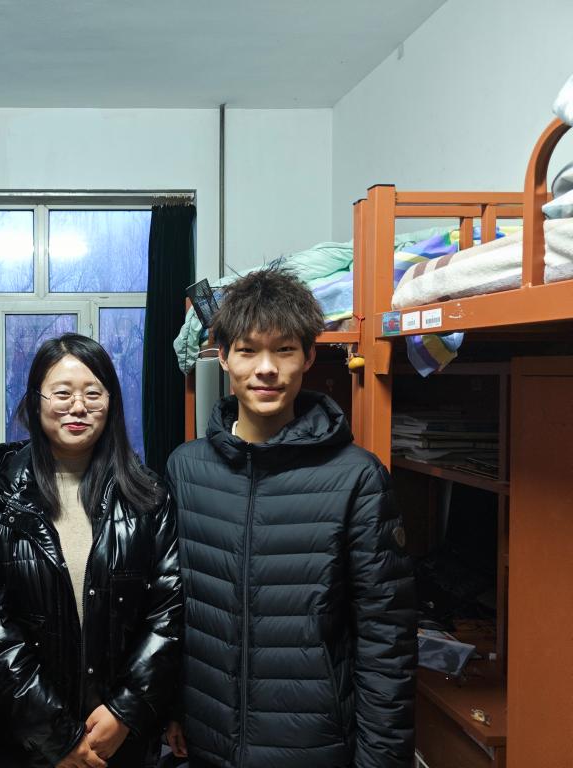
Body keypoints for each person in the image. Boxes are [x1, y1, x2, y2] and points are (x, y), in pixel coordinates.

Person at [164, 266, 416, 768]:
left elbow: (386, 638)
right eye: (247, 350)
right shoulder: (186, 469)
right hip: (208, 740)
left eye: (284, 350)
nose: (266, 369)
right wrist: (171, 709)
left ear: (309, 357)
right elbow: (171, 610)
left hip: (315, 747)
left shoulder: (356, 478)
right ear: (223, 356)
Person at [0, 333, 182, 768]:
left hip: (121, 742)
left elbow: (167, 613)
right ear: (36, 401)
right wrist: (57, 736)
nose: (78, 407)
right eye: (62, 394)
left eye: (93, 394)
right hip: (25, 743)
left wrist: (124, 711)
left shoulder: (148, 496)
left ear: (111, 403)